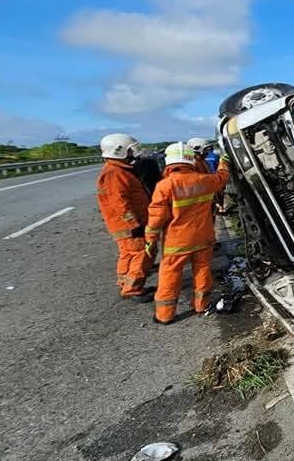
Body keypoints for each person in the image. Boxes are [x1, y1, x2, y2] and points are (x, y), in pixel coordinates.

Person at [145, 142, 230, 324]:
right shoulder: (205, 180)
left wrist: (150, 239)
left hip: (177, 242)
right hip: (203, 238)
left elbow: (156, 218)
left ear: (169, 162)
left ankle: (165, 315)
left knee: (170, 275)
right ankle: (201, 305)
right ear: (191, 160)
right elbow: (222, 178)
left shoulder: (165, 186)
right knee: (202, 271)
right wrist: (224, 162)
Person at [96, 133, 154, 301]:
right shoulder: (115, 173)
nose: (132, 154)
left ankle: (124, 282)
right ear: (119, 151)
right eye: (130, 151)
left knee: (127, 254)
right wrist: (133, 224)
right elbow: (120, 203)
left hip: (120, 224)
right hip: (128, 224)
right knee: (140, 253)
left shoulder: (117, 170)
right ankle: (132, 288)